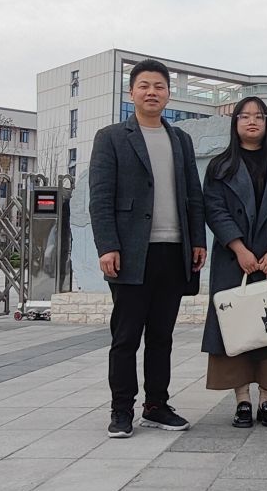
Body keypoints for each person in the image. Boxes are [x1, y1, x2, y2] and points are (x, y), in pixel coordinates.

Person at [88, 59, 206, 437]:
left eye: (159, 86)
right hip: (131, 253)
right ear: (131, 93)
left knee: (161, 336)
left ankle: (156, 406)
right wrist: (108, 245)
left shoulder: (180, 139)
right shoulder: (111, 137)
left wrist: (198, 240)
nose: (152, 92)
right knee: (125, 337)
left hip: (173, 250)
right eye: (144, 86)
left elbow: (193, 195)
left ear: (168, 94)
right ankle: (121, 410)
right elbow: (100, 197)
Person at [202, 97, 267, 427]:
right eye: (244, 116)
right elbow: (214, 210)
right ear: (234, 122)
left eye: (259, 116)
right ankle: (242, 400)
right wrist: (239, 248)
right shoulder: (220, 167)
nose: (252, 121)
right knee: (237, 328)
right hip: (234, 259)